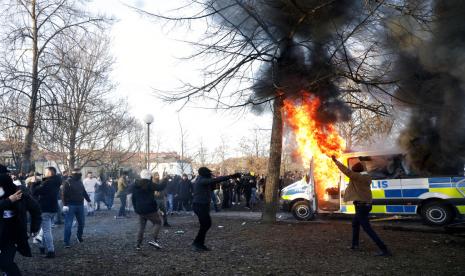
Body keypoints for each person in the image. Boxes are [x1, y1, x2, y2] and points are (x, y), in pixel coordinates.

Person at [331, 156, 391, 257]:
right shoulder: (366, 175)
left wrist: (336, 161)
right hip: (365, 205)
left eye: (353, 170)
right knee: (355, 224)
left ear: (356, 172)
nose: (352, 171)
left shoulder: (357, 177)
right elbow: (363, 168)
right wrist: (362, 160)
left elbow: (346, 170)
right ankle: (355, 245)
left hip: (361, 206)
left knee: (367, 228)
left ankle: (384, 249)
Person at [0, 164, 41, 275]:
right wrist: (8, 201)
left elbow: (36, 209)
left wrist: (34, 227)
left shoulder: (19, 192)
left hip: (11, 234)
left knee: (6, 263)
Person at [191, 167, 240, 252]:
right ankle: (197, 243)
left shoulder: (202, 179)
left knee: (206, 224)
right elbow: (215, 180)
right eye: (209, 173)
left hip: (203, 205)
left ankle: (199, 243)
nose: (210, 174)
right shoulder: (201, 180)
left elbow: (211, 185)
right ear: (204, 174)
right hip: (199, 205)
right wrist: (231, 176)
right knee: (206, 224)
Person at [132, 170, 167, 250]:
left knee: (141, 227)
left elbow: (133, 198)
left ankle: (138, 245)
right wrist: (165, 179)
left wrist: (136, 208)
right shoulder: (150, 184)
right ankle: (154, 240)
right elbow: (160, 187)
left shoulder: (136, 184)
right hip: (149, 209)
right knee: (158, 222)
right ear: (149, 176)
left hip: (140, 209)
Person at [32, 167, 61, 258]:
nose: (44, 173)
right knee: (45, 229)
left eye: (45, 172)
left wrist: (33, 183)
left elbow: (34, 192)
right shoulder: (56, 181)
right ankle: (42, 247)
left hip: (45, 209)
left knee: (47, 231)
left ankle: (51, 251)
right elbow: (44, 184)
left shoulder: (48, 183)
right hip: (53, 209)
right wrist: (39, 181)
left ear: (50, 172)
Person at [62, 168, 91, 248]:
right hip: (70, 205)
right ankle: (66, 241)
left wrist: (89, 200)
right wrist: (65, 205)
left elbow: (83, 191)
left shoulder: (80, 181)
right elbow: (63, 194)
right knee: (68, 224)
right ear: (73, 173)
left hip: (80, 205)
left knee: (82, 223)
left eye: (80, 173)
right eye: (78, 173)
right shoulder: (67, 182)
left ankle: (79, 236)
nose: (79, 174)